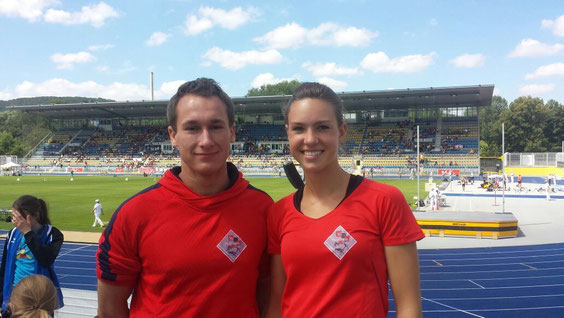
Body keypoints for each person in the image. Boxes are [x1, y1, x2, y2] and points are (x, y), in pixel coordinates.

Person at [96, 78, 273, 317]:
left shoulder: (262, 208)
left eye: (216, 126)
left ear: (232, 132)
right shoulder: (134, 213)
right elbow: (110, 308)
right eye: (192, 128)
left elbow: (267, 295)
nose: (206, 140)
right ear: (173, 135)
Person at [266, 83, 424, 318]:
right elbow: (277, 304)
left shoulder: (384, 201)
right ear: (288, 132)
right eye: (299, 128)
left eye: (322, 127)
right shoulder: (279, 213)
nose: (310, 139)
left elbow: (409, 307)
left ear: (341, 131)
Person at [0, 195, 64, 311]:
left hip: (40, 294)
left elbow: (46, 259)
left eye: (17, 217)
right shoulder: (12, 234)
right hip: (16, 291)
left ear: (32, 216)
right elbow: (5, 267)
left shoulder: (52, 234)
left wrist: (27, 232)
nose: (13, 220)